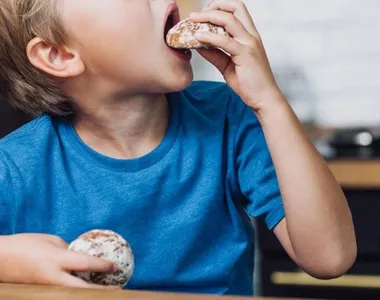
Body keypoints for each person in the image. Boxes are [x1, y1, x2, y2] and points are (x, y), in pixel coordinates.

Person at [0, 0, 357, 295]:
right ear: (58, 55)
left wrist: (269, 101)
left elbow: (330, 258)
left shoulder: (229, 117)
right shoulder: (13, 167)